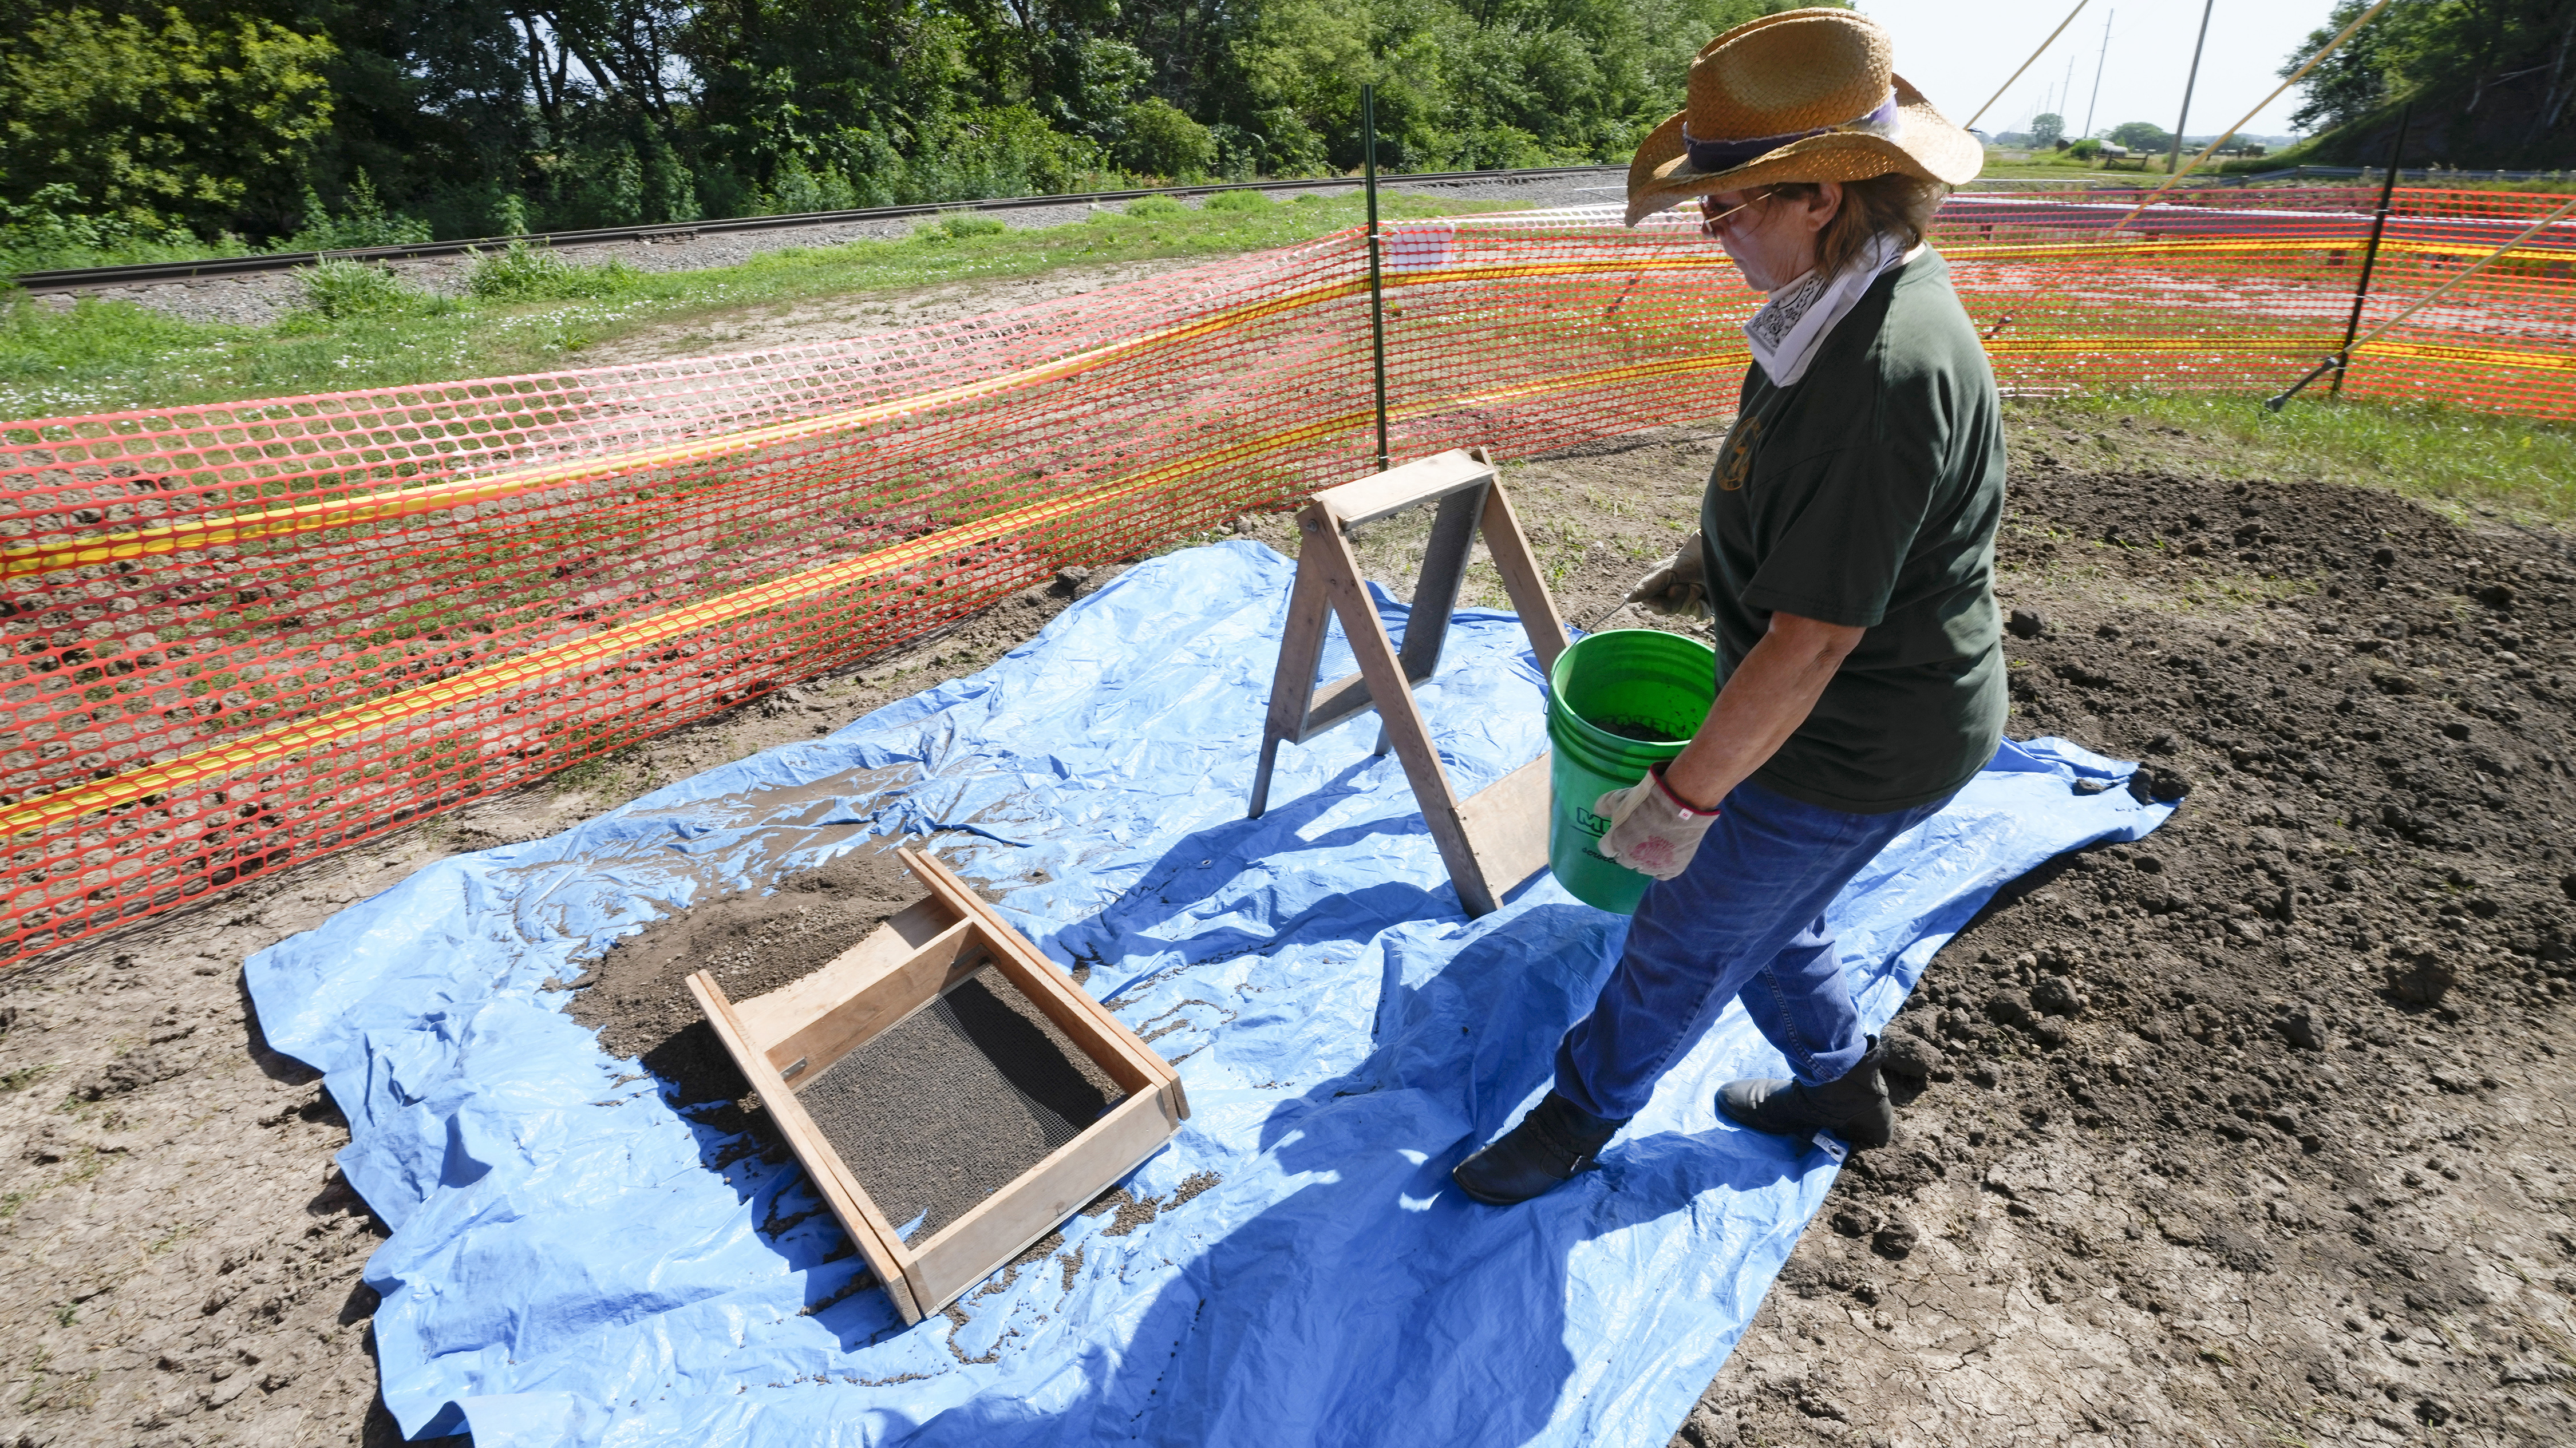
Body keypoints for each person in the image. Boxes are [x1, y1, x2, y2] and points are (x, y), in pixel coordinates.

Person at [1453, 7, 2005, 1206]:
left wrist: (1680, 798)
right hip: (1838, 716)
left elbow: (1811, 643)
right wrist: (1712, 560)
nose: (1713, 231)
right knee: (1777, 915)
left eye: (1733, 203)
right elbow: (1808, 506)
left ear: (1826, 193)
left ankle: (1573, 1119)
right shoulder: (1843, 297)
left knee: (1685, 928)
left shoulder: (1879, 376)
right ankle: (1843, 1080)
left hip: (1855, 736)